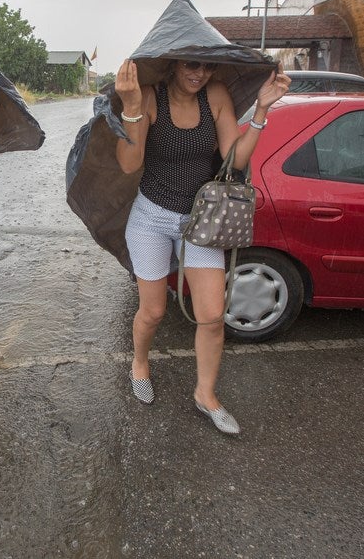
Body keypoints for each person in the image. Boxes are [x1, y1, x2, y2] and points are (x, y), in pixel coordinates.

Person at [114, 58, 290, 434]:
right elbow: (129, 165)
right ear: (173, 63)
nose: (200, 73)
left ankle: (205, 394)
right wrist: (131, 109)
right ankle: (140, 363)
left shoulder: (215, 96)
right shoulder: (149, 97)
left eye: (208, 66)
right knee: (154, 311)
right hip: (152, 218)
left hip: (202, 219)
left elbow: (234, 160)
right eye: (192, 64)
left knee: (211, 315)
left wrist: (261, 111)